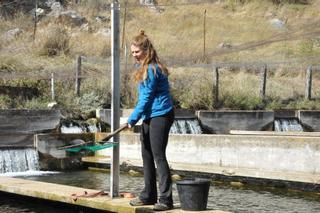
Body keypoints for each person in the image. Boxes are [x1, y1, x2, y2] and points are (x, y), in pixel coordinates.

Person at [126, 30, 175, 211]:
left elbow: (145, 98)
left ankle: (165, 199)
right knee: (146, 156)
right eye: (132, 52)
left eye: (137, 52)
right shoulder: (145, 68)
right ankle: (148, 195)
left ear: (147, 50)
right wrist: (138, 117)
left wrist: (132, 119)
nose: (134, 56)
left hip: (161, 114)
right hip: (150, 115)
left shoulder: (152, 69)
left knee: (158, 156)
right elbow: (145, 101)